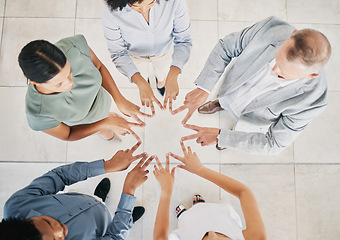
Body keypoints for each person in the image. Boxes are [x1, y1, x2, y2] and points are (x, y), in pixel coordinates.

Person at [172, 16, 331, 155]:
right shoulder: (272, 28)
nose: (273, 69)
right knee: (224, 99)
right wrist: (204, 87)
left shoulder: (314, 101)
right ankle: (220, 103)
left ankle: (233, 135)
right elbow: (226, 47)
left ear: (310, 76)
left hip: (252, 121)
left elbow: (274, 143)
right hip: (232, 90)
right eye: (277, 58)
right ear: (292, 34)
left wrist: (223, 137)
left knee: (239, 133)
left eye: (283, 73)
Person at [0, 142, 153, 240]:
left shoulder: (16, 205)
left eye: (48, 221)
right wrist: (129, 190)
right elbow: (114, 236)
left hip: (81, 197)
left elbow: (60, 176)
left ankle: (98, 197)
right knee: (121, 224)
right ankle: (127, 217)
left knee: (95, 199)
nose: (62, 229)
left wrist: (108, 165)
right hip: (105, 227)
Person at [19, 34, 148, 142]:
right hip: (86, 122)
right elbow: (68, 134)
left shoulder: (72, 47)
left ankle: (107, 116)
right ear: (35, 82)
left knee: (107, 115)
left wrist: (119, 99)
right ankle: (103, 130)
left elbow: (98, 66)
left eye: (69, 72)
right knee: (107, 134)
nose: (71, 83)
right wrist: (105, 124)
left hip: (101, 99)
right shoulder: (38, 114)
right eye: (59, 84)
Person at [153, 141, 267, 240]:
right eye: (222, 237)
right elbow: (244, 192)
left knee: (188, 220)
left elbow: (159, 237)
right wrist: (200, 170)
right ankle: (199, 207)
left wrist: (166, 191)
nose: (211, 232)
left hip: (189, 228)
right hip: (219, 216)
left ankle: (185, 215)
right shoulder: (256, 238)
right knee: (207, 212)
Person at [102, 0, 192, 114]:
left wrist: (174, 72)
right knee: (141, 73)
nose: (144, 10)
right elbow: (118, 52)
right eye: (135, 6)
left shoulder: (174, 2)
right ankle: (147, 80)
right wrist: (140, 82)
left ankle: (161, 82)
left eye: (151, 3)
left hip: (163, 52)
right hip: (134, 56)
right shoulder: (111, 10)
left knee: (163, 70)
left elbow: (183, 40)